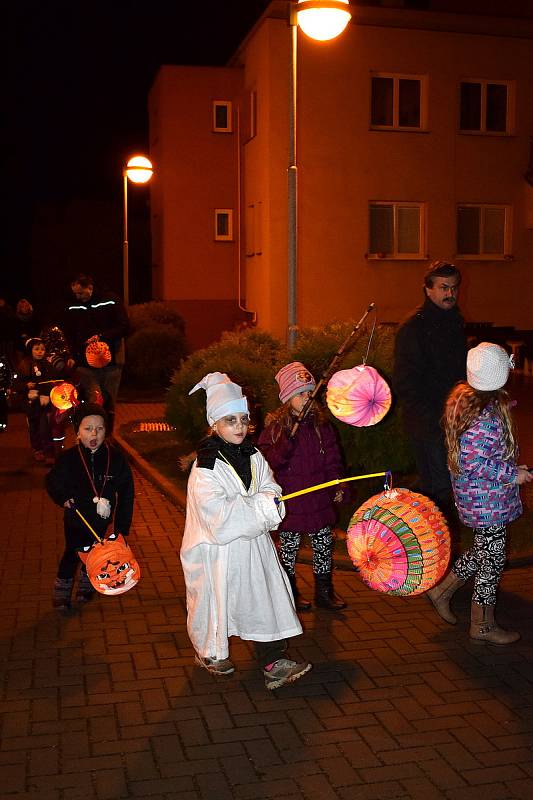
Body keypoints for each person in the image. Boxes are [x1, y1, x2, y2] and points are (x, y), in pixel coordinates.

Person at [181, 371, 311, 690]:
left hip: (253, 546)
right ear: (215, 423)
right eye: (230, 420)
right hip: (217, 553)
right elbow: (218, 518)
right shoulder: (206, 466)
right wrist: (262, 507)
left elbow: (268, 484)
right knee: (216, 602)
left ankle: (272, 659)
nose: (239, 426)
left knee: (262, 597)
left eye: (243, 419)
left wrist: (269, 500)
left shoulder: (253, 454)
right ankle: (210, 651)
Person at [427, 343, 532, 644]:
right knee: (492, 561)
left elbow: (481, 457)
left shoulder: (472, 405)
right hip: (487, 501)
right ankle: (482, 625)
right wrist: (513, 474)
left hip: (482, 497)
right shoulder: (484, 417)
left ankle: (442, 591)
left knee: (485, 551)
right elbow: (475, 462)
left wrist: (511, 466)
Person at [258, 362, 346, 612]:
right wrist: (284, 444)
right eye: (299, 394)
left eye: (309, 393)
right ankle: (289, 592)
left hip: (317, 498)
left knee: (323, 545)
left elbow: (332, 457)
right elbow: (267, 462)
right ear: (287, 398)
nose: (306, 398)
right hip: (292, 500)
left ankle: (324, 591)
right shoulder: (276, 429)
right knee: (289, 549)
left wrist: (337, 482)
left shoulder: (321, 426)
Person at [393, 260, 467, 512]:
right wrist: (433, 416)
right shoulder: (413, 328)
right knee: (437, 486)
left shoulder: (455, 321)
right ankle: (436, 540)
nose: (450, 294)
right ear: (428, 289)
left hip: (454, 418)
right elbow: (406, 381)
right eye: (444, 287)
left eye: (454, 288)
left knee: (449, 481)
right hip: (428, 422)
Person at [46, 403, 135, 609]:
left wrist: (121, 528)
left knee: (96, 553)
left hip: (101, 520)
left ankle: (87, 585)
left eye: (100, 428)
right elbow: (52, 481)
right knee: (73, 552)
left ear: (106, 431)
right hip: (76, 518)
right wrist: (63, 497)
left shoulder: (115, 459)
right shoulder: (69, 459)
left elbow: (126, 492)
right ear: (78, 432)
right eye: (87, 429)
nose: (94, 433)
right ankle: (62, 588)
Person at [63, 274, 129, 432]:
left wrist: (102, 337)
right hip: (85, 365)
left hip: (111, 362)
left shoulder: (111, 300)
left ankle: (108, 436)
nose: (78, 297)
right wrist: (72, 356)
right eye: (75, 294)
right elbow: (71, 333)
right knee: (93, 400)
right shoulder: (73, 306)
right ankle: (94, 433)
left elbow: (124, 326)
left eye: (81, 293)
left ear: (90, 288)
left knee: (109, 400)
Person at [15, 337, 61, 463]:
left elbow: (54, 380)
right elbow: (16, 384)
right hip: (30, 403)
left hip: (44, 401)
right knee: (34, 427)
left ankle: (49, 452)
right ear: (31, 350)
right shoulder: (24, 365)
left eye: (42, 349)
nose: (40, 351)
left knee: (45, 426)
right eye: (36, 349)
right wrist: (26, 386)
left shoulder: (48, 365)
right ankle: (37, 449)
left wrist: (49, 393)